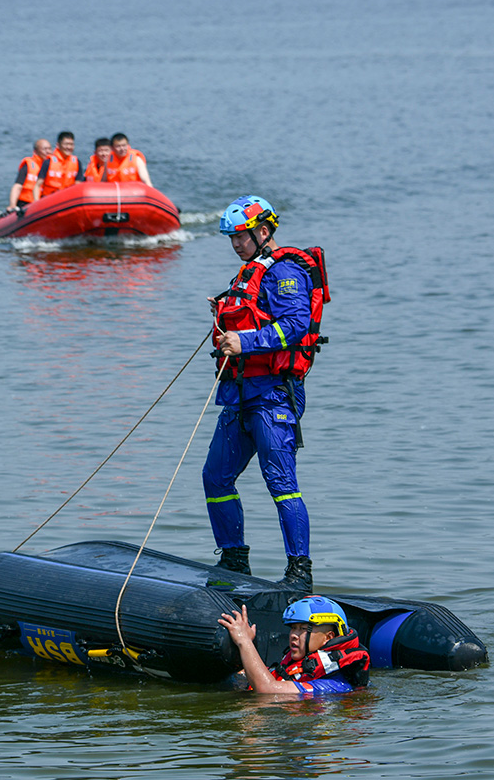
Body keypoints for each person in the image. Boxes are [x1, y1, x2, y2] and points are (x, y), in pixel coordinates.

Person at [203, 195, 329, 591]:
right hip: (238, 394)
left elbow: (294, 325)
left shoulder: (286, 271)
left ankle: (299, 571)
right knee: (215, 477)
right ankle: (235, 560)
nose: (236, 244)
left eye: (241, 236)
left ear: (262, 231)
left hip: (274, 394)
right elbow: (254, 315)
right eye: (232, 238)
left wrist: (245, 342)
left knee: (281, 482)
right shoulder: (248, 274)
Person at [218, 596, 370, 695]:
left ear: (328, 637)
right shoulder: (304, 665)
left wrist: (244, 642)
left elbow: (268, 689)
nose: (293, 635)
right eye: (293, 628)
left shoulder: (334, 686)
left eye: (303, 629)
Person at [7, 138, 52, 212]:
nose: (48, 152)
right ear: (35, 152)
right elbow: (17, 186)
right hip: (26, 203)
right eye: (44, 149)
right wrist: (12, 205)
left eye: (50, 149)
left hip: (45, 203)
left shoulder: (54, 166)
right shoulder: (29, 165)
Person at [34, 131, 82, 199]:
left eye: (71, 144)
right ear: (58, 145)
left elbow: (78, 185)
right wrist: (37, 203)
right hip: (49, 199)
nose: (68, 147)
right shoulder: (48, 162)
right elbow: (38, 185)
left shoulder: (77, 162)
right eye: (66, 144)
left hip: (68, 199)